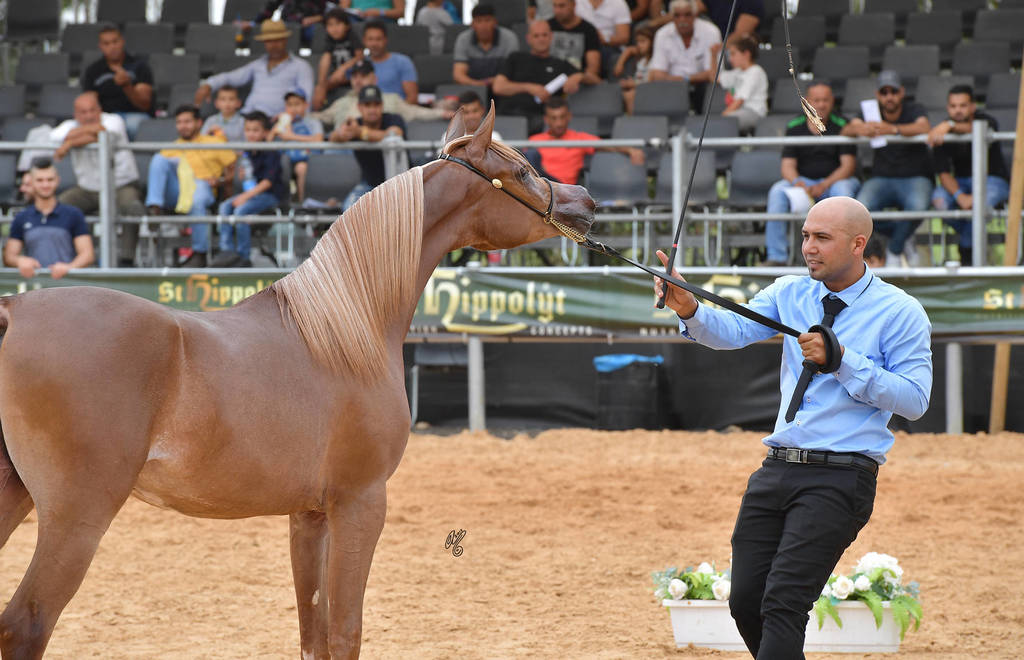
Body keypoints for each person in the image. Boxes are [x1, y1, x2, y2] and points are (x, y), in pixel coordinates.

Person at [653, 195, 932, 660]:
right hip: (777, 467)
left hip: (843, 475)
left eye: (822, 238)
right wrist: (689, 308)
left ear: (858, 243)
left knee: (783, 602)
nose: (809, 247)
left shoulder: (900, 312)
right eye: (806, 236)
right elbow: (732, 331)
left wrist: (842, 361)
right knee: (746, 601)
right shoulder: (789, 292)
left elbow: (915, 401)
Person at [842, 70, 932, 268]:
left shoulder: (914, 108)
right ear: (877, 95)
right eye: (884, 92)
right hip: (881, 178)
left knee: (918, 208)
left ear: (902, 92)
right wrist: (861, 129)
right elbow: (848, 129)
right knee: (861, 211)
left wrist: (892, 129)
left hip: (915, 177)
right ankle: (902, 236)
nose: (889, 97)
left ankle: (894, 249)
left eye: (893, 91)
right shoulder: (870, 111)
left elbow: (924, 127)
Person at [763, 81, 859, 266]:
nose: (821, 104)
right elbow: (787, 166)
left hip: (835, 182)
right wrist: (798, 182)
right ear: (806, 102)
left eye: (825, 100)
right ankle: (777, 257)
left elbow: (848, 166)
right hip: (804, 183)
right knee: (778, 191)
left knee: (844, 193)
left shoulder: (843, 124)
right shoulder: (794, 126)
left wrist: (824, 185)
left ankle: (843, 256)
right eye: (816, 100)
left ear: (832, 101)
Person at [50, 92, 145, 267]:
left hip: (120, 186)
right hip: (87, 189)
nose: (88, 116)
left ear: (100, 109)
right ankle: (72, 259)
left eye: (92, 110)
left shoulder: (114, 120)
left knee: (133, 207)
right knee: (56, 209)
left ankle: (127, 260)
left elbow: (103, 131)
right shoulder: (67, 125)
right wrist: (76, 136)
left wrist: (70, 143)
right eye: (83, 112)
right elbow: (56, 136)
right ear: (75, 114)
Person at [145, 105, 237, 269]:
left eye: (187, 121)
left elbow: (233, 168)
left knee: (198, 193)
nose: (183, 126)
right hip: (176, 192)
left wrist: (221, 180)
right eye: (179, 122)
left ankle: (199, 254)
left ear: (199, 123)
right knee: (159, 159)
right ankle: (154, 207)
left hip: (203, 188)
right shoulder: (171, 148)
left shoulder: (214, 142)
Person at [928, 84, 1010, 266]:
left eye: (963, 105)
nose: (957, 110)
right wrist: (961, 196)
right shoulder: (941, 132)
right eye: (953, 106)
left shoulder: (987, 120)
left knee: (980, 205)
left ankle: (966, 251)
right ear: (948, 107)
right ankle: (971, 244)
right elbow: (943, 173)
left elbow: (977, 128)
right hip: (960, 183)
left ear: (973, 106)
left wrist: (949, 125)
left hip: (993, 181)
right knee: (939, 201)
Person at [195, 20, 315, 119]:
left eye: (277, 40)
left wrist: (290, 118)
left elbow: (306, 100)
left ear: (285, 40)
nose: (273, 45)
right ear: (264, 43)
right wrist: (209, 84)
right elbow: (231, 77)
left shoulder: (301, 66)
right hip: (249, 118)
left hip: (279, 120)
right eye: (269, 41)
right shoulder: (257, 65)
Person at [213, 112, 286, 268]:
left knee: (240, 212)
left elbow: (267, 183)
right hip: (250, 195)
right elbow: (246, 178)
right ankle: (227, 251)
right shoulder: (247, 153)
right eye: (248, 130)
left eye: (255, 130)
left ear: (265, 133)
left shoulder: (271, 152)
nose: (251, 134)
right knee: (224, 206)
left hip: (268, 196)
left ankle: (243, 256)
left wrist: (245, 197)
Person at [4, 158, 95, 279]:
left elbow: (87, 254)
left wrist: (70, 267)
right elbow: (9, 257)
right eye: (40, 180)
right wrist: (20, 261)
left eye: (50, 179)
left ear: (58, 180)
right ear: (32, 182)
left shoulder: (73, 214)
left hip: (67, 286)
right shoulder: (22, 217)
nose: (45, 184)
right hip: (34, 286)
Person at [493, 20, 585, 135]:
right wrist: (529, 88)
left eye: (544, 35)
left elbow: (590, 76)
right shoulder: (515, 58)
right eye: (536, 36)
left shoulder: (561, 64)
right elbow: (498, 87)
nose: (541, 39)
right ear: (528, 38)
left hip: (540, 121)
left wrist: (577, 77)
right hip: (509, 115)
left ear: (551, 37)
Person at [527, 97, 643, 185]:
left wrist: (630, 150)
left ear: (569, 116)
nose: (559, 123)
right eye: (554, 118)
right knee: (529, 156)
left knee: (531, 155)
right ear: (546, 120)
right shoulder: (535, 140)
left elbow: (608, 146)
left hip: (562, 189)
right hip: (537, 189)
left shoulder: (579, 139)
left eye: (562, 117)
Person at [328, 84, 406, 210]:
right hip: (369, 184)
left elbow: (394, 134)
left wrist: (360, 133)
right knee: (349, 211)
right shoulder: (355, 124)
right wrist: (343, 134)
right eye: (367, 105)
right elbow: (333, 137)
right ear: (359, 107)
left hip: (402, 183)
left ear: (382, 106)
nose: (372, 109)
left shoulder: (394, 119)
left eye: (376, 105)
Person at [313, 59, 451, 129]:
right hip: (343, 156)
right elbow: (320, 117)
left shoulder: (390, 100)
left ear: (374, 78)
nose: (358, 80)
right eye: (354, 76)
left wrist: (443, 113)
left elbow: (415, 112)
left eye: (363, 75)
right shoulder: (342, 102)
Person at [80, 23, 153, 140]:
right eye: (106, 43)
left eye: (115, 42)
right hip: (105, 117)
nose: (112, 47)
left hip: (133, 115)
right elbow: (89, 102)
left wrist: (127, 85)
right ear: (100, 46)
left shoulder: (139, 66)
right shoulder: (93, 70)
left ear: (122, 41)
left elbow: (144, 104)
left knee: (135, 125)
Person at [648, 0, 722, 107]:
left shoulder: (711, 32)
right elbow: (657, 74)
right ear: (671, 17)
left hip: (703, 87)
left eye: (687, 15)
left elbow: (713, 74)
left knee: (711, 90)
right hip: (672, 88)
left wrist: (685, 79)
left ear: (695, 15)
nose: (682, 20)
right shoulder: (662, 34)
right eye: (677, 16)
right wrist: (681, 81)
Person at [269, 90, 324, 203]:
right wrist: (273, 131)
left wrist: (292, 136)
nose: (293, 108)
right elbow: (268, 144)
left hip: (308, 159)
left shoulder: (313, 122)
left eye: (297, 104)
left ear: (306, 105)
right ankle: (280, 204)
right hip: (285, 160)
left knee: (301, 168)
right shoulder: (283, 123)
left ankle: (302, 204)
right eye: (290, 105)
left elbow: (318, 139)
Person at [706, 33, 767, 133]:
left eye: (733, 54)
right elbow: (713, 78)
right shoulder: (737, 72)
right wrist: (713, 56)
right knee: (723, 122)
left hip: (753, 112)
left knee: (724, 123)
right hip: (738, 112)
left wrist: (720, 119)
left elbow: (740, 101)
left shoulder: (756, 71)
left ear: (746, 54)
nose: (730, 59)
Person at [452, 3, 521, 88]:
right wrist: (479, 85)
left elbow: (512, 71)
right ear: (472, 24)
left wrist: (495, 82)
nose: (483, 26)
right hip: (472, 87)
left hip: (501, 88)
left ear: (495, 22)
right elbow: (458, 75)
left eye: (487, 20)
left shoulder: (509, 38)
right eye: (479, 21)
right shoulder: (463, 39)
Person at [313, 8, 362, 110]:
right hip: (336, 78)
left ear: (347, 25)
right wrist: (321, 84)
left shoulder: (351, 36)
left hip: (354, 74)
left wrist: (343, 68)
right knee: (321, 87)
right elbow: (326, 59)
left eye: (338, 24)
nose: (334, 28)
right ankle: (318, 102)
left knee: (336, 78)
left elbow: (359, 57)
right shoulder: (330, 39)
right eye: (330, 25)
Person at [360, 21, 419, 103]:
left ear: (385, 40)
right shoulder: (360, 64)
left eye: (378, 39)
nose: (374, 44)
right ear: (364, 41)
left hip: (397, 111)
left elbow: (412, 98)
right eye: (370, 39)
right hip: (367, 112)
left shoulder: (402, 62)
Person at [548, 0, 603, 81]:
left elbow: (593, 68)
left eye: (562, 6)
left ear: (573, 5)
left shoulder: (588, 30)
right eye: (555, 6)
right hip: (549, 78)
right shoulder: (547, 27)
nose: (557, 10)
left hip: (578, 80)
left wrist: (582, 78)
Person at [574, 0, 632, 75]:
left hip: (607, 45)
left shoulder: (618, 3)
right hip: (580, 43)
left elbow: (624, 37)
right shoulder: (576, 2)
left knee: (601, 52)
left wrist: (604, 39)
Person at [614, 25, 654, 114]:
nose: (639, 45)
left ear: (652, 42)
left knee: (629, 95)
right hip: (638, 89)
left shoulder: (655, 60)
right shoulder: (642, 61)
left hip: (650, 92)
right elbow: (630, 50)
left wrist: (632, 84)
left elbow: (651, 83)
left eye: (643, 41)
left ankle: (632, 121)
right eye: (638, 42)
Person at [252, 0, 327, 44]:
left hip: (312, 27)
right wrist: (253, 24)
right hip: (288, 26)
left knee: (321, 33)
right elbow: (269, 7)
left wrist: (319, 18)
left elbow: (336, 10)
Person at [340, 0, 406, 21]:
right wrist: (354, 11)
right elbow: (343, 8)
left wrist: (380, 12)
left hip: (384, 24)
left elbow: (401, 12)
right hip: (356, 22)